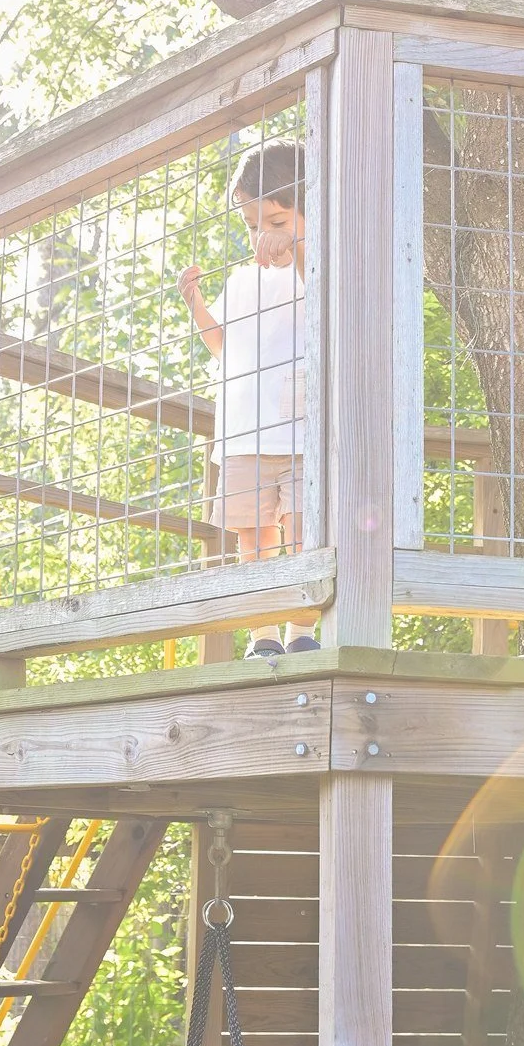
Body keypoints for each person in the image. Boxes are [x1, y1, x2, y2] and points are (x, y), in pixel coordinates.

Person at [178, 140, 318, 659]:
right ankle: (262, 637)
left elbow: (323, 294)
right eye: (252, 224)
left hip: (303, 430)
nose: (263, 237)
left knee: (305, 533)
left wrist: (296, 248)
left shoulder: (316, 264)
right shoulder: (242, 280)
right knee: (253, 538)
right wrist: (196, 306)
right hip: (244, 433)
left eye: (278, 222)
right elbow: (225, 348)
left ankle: (303, 631)